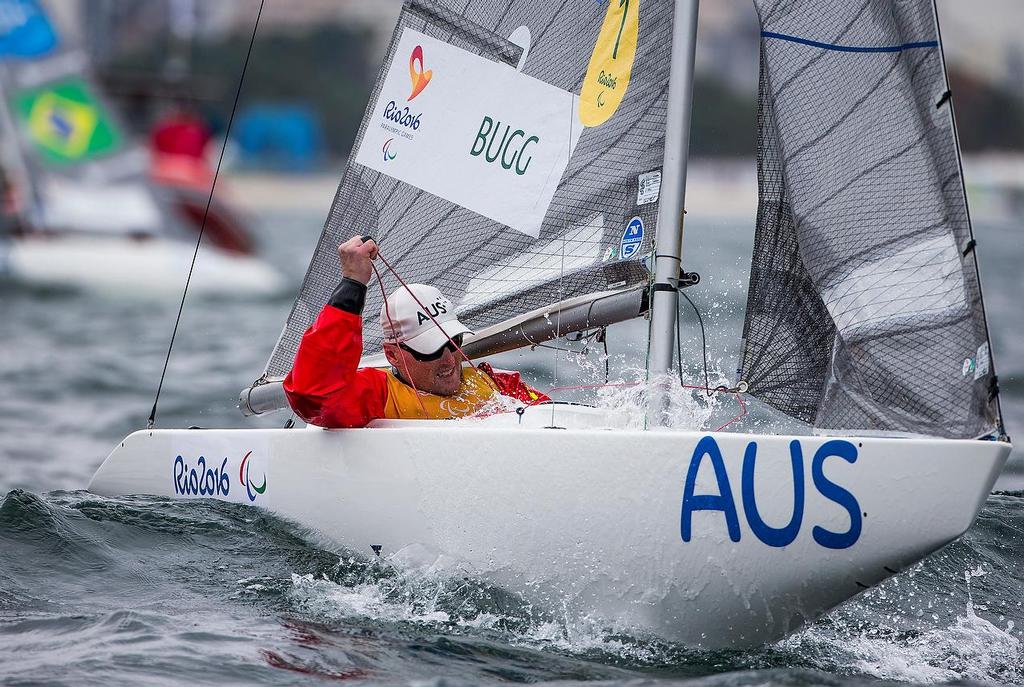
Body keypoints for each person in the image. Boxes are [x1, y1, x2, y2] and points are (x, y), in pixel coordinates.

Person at [284, 236, 549, 428]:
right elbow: (311, 396)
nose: (448, 359)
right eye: (431, 350)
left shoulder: (498, 385)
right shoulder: (377, 398)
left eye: (453, 342)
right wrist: (353, 284)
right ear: (393, 355)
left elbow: (554, 421)